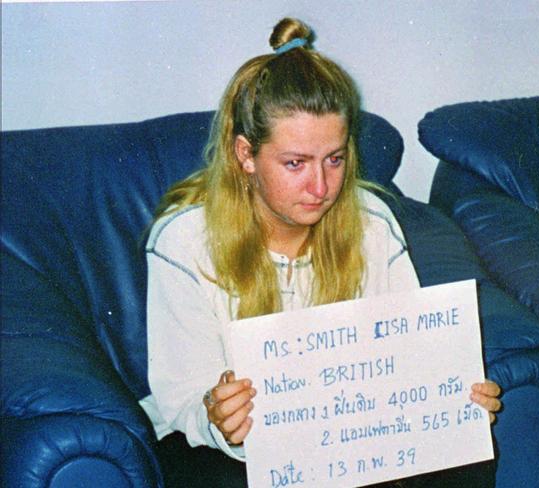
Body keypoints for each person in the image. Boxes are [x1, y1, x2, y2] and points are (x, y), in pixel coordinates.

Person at [141, 17, 501, 488]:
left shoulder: (370, 221)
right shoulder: (185, 241)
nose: (321, 187)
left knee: (466, 457)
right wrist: (217, 414)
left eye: (335, 159)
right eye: (295, 163)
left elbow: (406, 359)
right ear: (245, 155)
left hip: (346, 435)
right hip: (221, 450)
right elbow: (181, 398)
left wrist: (453, 401)